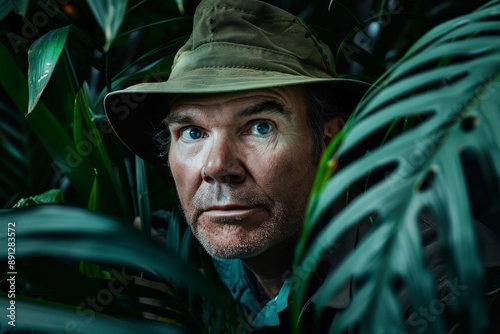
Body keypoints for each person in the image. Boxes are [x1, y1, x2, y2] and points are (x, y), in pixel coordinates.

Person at [104, 0, 500, 332]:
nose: (217, 166)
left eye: (260, 127)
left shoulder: (432, 280)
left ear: (330, 139)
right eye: (192, 133)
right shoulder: (168, 253)